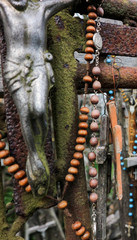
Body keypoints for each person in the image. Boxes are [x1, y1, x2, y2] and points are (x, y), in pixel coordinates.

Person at [0, 0, 77, 196]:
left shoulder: (42, 8)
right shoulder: (3, 7)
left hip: (38, 65)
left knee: (39, 110)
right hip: (14, 67)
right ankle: (34, 156)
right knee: (25, 113)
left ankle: (39, 150)